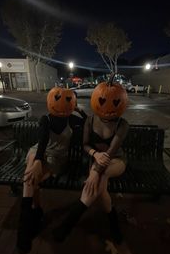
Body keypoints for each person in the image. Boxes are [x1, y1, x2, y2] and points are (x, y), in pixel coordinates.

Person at [53, 82, 129, 244]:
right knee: (100, 188)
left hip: (116, 161)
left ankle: (67, 225)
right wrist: (94, 154)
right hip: (94, 159)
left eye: (115, 102)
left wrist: (94, 171)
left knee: (101, 176)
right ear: (95, 100)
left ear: (122, 102)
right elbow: (85, 145)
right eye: (102, 101)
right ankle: (114, 224)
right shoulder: (90, 121)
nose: (108, 107)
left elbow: (111, 152)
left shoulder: (123, 125)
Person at [17, 88, 87, 254]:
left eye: (69, 100)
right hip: (39, 153)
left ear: (73, 103)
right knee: (31, 168)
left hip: (57, 160)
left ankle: (34, 214)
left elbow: (89, 125)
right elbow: (42, 142)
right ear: (50, 100)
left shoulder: (74, 120)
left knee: (30, 178)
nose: (62, 103)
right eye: (57, 98)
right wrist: (38, 161)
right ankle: (24, 230)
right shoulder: (45, 119)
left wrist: (80, 111)